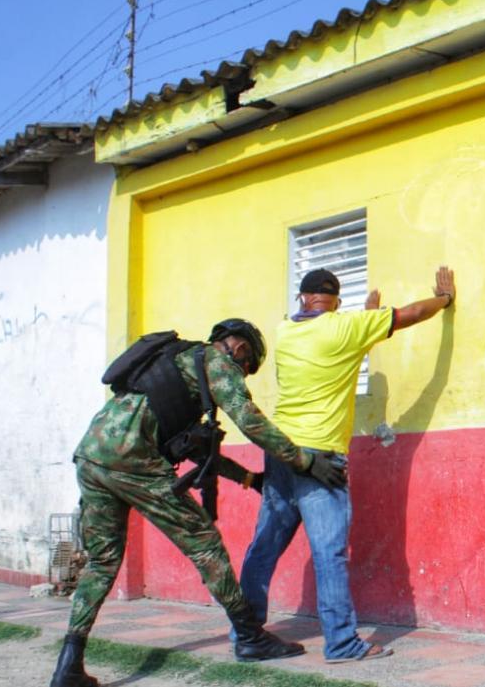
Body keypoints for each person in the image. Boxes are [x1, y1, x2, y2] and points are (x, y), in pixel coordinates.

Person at [50, 319, 328, 687]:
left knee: (102, 563)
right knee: (206, 545)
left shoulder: (179, 368)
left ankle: (69, 665)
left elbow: (196, 448)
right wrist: (303, 460)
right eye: (247, 370)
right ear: (241, 351)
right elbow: (250, 421)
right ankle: (249, 637)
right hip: (133, 461)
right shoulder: (218, 363)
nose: (242, 377)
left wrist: (249, 479)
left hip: (91, 455)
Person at [238, 265, 456, 663]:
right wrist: (444, 299)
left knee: (265, 545)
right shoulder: (347, 329)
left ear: (303, 299)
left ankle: (248, 633)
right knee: (330, 552)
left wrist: (366, 320)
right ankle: (341, 642)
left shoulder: (285, 331)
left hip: (281, 452)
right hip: (320, 459)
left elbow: (335, 351)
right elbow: (409, 314)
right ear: (336, 301)